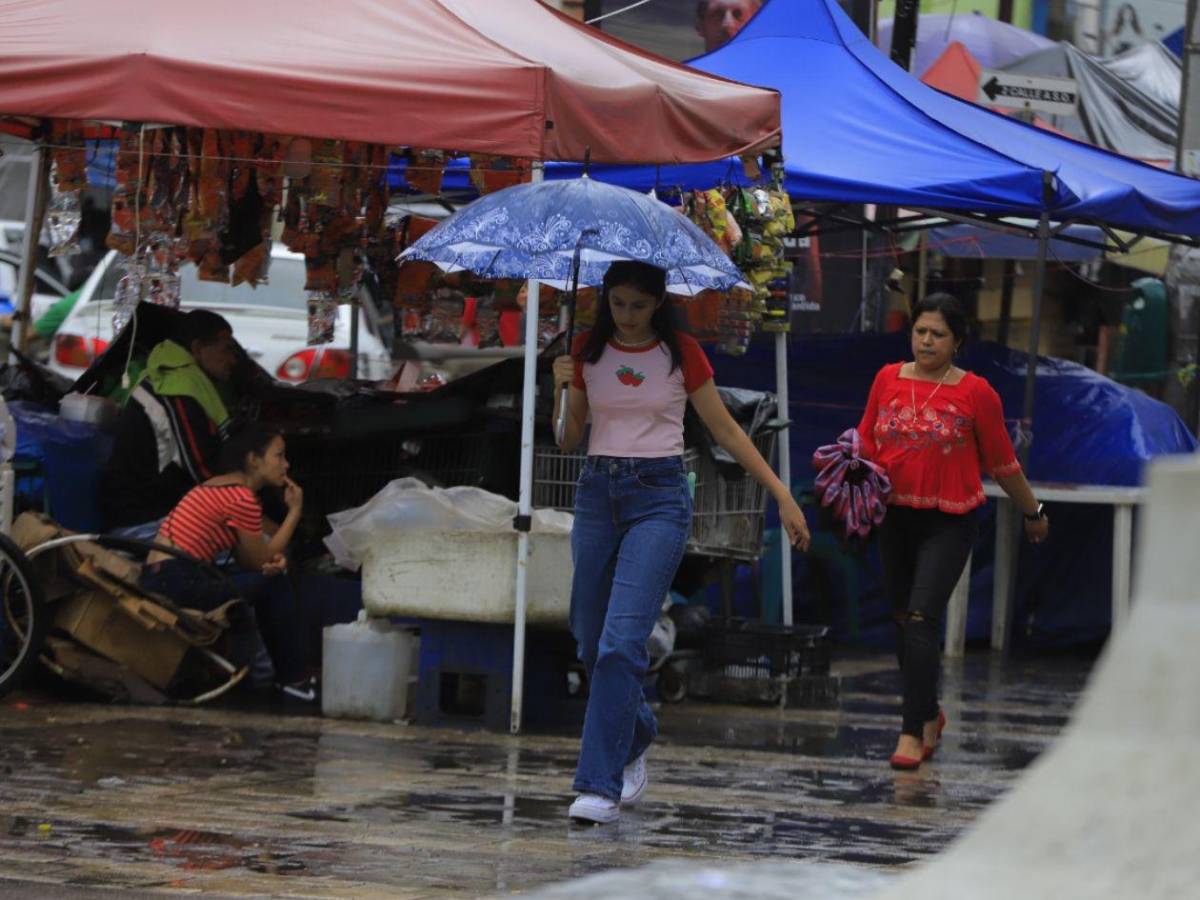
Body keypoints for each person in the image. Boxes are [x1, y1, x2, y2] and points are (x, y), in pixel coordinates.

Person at [552, 260, 810, 824]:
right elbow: (569, 439)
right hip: (598, 492)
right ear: (605, 300)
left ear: (658, 304)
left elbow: (726, 430)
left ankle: (598, 785)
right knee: (590, 640)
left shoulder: (681, 353)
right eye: (618, 303)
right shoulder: (586, 351)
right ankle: (636, 730)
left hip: (660, 498)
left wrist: (782, 496)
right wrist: (562, 387)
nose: (627, 316)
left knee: (622, 642)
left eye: (639, 306)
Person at [855, 293, 1049, 771]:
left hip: (950, 520)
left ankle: (910, 730)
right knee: (903, 621)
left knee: (922, 619)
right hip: (893, 516)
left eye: (937, 334)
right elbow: (864, 438)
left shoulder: (976, 392)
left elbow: (1003, 462)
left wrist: (1032, 511)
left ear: (957, 341)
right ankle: (929, 715)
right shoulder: (886, 378)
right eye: (920, 331)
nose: (926, 340)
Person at [138, 425, 314, 701]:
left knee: (259, 581)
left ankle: (253, 679)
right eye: (278, 456)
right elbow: (259, 560)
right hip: (178, 579)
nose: (286, 464)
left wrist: (267, 565)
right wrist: (294, 513)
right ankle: (294, 679)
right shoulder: (241, 498)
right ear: (254, 460)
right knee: (274, 585)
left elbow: (249, 560)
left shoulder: (218, 486)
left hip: (164, 575)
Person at [101, 309, 239, 537]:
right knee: (246, 548)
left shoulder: (182, 381)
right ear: (197, 349)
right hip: (141, 520)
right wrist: (247, 486)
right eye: (227, 350)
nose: (232, 360)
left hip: (163, 511)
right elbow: (204, 472)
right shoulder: (176, 388)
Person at [695, 0, 763, 52]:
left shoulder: (771, 69)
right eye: (717, 15)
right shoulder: (686, 70)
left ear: (756, 27)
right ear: (700, 27)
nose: (728, 24)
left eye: (738, 15)